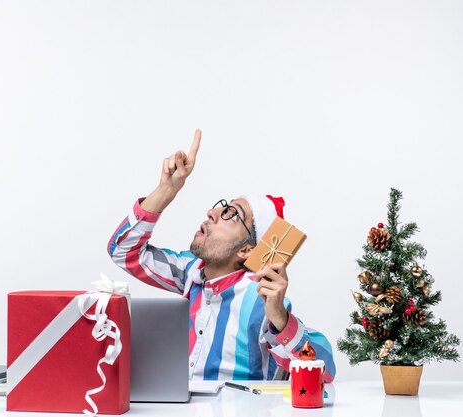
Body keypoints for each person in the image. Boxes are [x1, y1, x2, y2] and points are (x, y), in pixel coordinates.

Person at [107, 129, 335, 382]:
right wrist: (166, 190)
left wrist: (279, 317)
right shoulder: (189, 272)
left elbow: (324, 373)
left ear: (247, 250)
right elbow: (123, 251)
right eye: (221, 207)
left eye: (231, 214)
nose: (212, 213)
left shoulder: (261, 296)